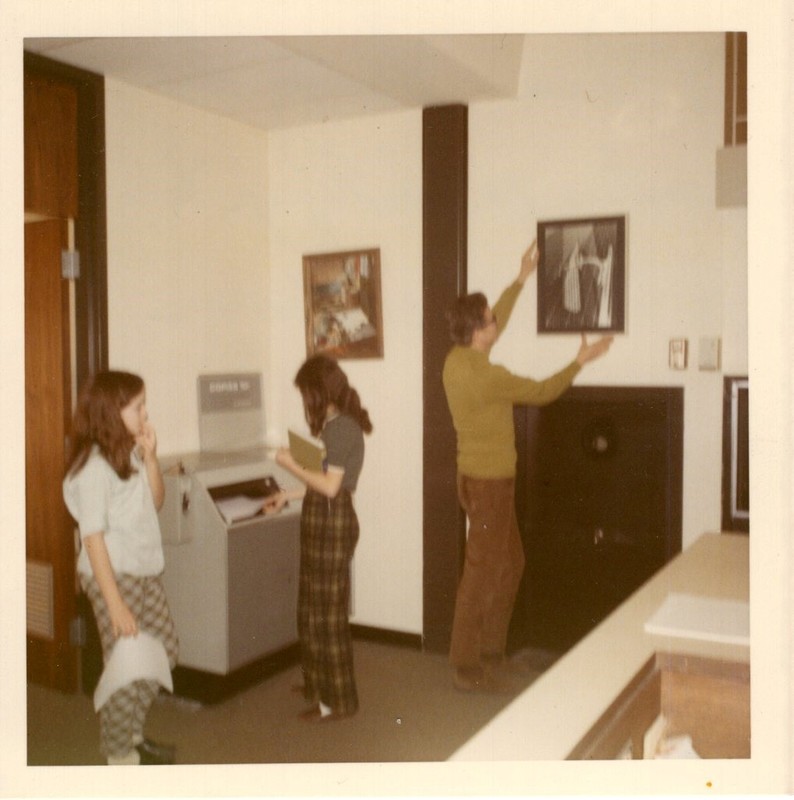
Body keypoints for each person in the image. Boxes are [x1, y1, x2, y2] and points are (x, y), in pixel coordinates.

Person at [442, 240, 613, 693]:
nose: (496, 321)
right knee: (481, 570)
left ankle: (491, 653)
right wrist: (580, 360)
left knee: (511, 563)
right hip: (489, 484)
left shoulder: (457, 359)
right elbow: (542, 392)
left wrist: (521, 278)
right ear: (479, 331)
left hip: (476, 480)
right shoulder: (488, 377)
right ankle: (466, 664)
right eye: (491, 320)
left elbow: (495, 313)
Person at [63, 371, 179, 764]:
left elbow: (157, 501)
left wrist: (150, 457)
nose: (146, 413)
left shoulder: (127, 451)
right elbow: (92, 538)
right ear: (113, 412)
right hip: (111, 574)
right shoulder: (94, 468)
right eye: (138, 407)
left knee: (165, 650)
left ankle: (129, 731)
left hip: (143, 568)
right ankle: (118, 755)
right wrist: (115, 605)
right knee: (127, 667)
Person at [264, 355, 372, 722]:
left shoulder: (342, 428)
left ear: (319, 393)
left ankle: (338, 700)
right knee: (310, 608)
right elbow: (322, 479)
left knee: (328, 616)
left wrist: (289, 462)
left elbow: (331, 487)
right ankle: (316, 683)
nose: (303, 401)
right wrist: (287, 495)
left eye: (305, 394)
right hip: (320, 517)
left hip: (332, 522)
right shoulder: (334, 424)